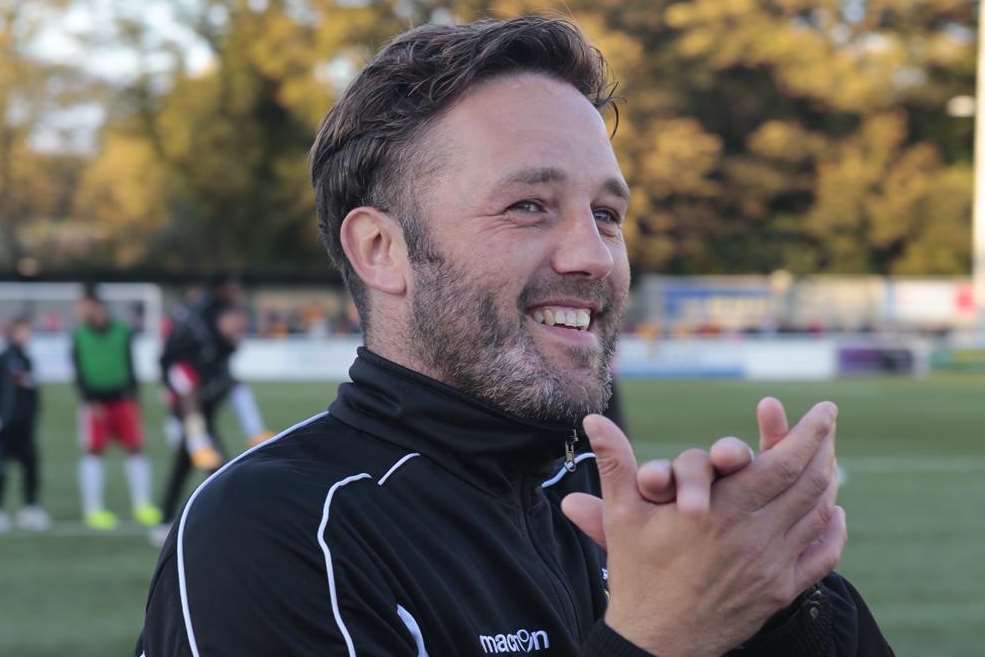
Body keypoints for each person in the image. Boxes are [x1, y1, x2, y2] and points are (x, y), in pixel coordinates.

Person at [137, 17, 893, 657]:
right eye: (529, 206)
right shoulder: (279, 531)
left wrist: (783, 605)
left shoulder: (628, 521)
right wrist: (659, 637)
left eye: (606, 213)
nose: (593, 255)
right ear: (381, 251)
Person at [153, 295, 271, 545]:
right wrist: (197, 435)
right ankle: (226, 522)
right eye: (235, 319)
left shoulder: (223, 346)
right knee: (217, 470)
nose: (240, 324)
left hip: (202, 414)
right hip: (188, 416)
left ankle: (165, 521)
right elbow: (186, 390)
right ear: (220, 319)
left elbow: (232, 385)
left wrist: (255, 430)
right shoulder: (197, 346)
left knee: (185, 468)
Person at [72, 289, 161, 530]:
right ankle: (93, 509)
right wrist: (90, 400)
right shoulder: (79, 336)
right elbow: (78, 372)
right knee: (94, 452)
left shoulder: (122, 332)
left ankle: (142, 505)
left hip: (122, 400)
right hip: (95, 404)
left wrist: (135, 398)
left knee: (136, 450)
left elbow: (130, 366)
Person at [0, 317, 49, 532]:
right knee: (2, 468)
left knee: (30, 465)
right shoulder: (8, 358)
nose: (27, 335)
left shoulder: (25, 358)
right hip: (7, 424)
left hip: (24, 424)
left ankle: (30, 507)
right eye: (23, 331)